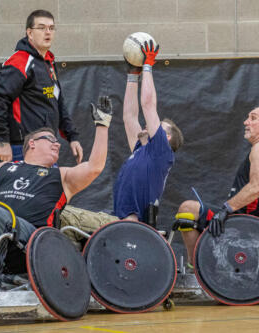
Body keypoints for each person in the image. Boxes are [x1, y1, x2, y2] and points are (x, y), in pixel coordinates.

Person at [0, 97, 112, 290]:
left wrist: (102, 124)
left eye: (58, 142)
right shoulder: (3, 168)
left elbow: (95, 167)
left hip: (31, 244)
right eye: (51, 140)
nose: (57, 145)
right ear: (32, 143)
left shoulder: (62, 175)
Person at [60, 40, 184, 237]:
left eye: (158, 127)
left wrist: (148, 66)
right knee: (66, 230)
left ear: (166, 137)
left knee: (62, 215)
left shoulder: (161, 152)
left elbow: (148, 105)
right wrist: (132, 76)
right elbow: (129, 117)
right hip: (117, 221)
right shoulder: (141, 150)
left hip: (129, 227)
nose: (147, 125)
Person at [178, 107, 259, 269]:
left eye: (253, 118)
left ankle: (197, 272)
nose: (246, 122)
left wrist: (226, 210)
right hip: (258, 220)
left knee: (187, 209)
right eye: (247, 118)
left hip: (244, 223)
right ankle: (204, 267)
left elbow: (257, 187)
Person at [0, 9, 83, 163]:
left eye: (51, 28)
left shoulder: (49, 63)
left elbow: (58, 103)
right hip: (22, 148)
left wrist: (73, 137)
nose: (48, 32)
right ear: (29, 33)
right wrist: (3, 142)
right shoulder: (19, 61)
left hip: (47, 146)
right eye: (41, 27)